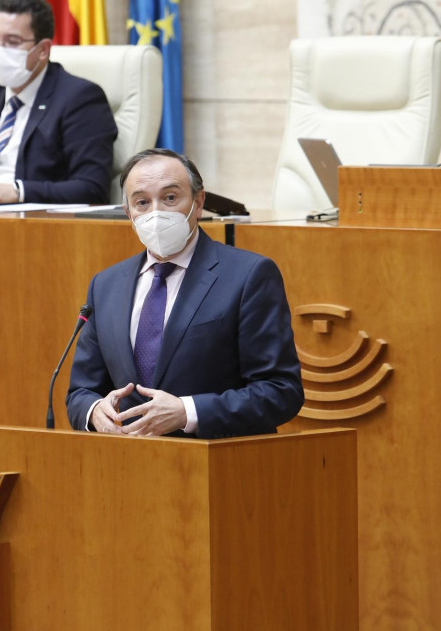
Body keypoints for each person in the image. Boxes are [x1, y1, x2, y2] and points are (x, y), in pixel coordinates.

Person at [66, 148, 304, 437]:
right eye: (142, 202)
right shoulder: (105, 285)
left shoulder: (248, 275)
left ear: (198, 202)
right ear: (128, 213)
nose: (156, 212)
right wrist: (94, 412)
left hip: (218, 465)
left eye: (170, 198)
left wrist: (186, 412)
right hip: (127, 465)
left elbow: (281, 392)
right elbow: (81, 391)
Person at [0, 0, 117, 205]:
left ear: (43, 50)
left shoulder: (79, 98)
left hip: (29, 224)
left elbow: (91, 187)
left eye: (12, 42)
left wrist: (17, 191)